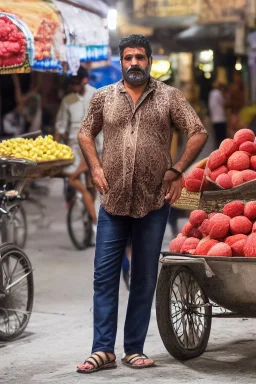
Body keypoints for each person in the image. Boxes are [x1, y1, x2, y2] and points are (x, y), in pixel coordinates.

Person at [76, 34, 208, 373]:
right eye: (128, 58)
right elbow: (84, 132)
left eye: (140, 57)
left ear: (149, 60)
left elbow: (197, 131)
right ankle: (102, 350)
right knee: (104, 276)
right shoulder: (104, 97)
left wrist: (177, 170)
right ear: (121, 62)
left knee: (144, 276)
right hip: (113, 199)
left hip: (154, 200)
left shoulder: (169, 97)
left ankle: (133, 348)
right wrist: (94, 166)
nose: (134, 63)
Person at [55, 67, 98, 228]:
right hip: (74, 148)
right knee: (72, 178)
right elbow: (60, 126)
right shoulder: (68, 101)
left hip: (95, 148)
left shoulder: (96, 95)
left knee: (93, 184)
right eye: (71, 84)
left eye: (76, 83)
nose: (73, 86)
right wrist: (55, 147)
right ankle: (93, 216)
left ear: (84, 81)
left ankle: (94, 219)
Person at [208, 81, 227, 149]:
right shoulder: (218, 93)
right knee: (222, 137)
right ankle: (223, 149)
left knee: (217, 137)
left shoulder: (212, 93)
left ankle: (218, 150)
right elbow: (223, 103)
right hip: (221, 118)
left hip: (215, 119)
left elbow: (211, 106)